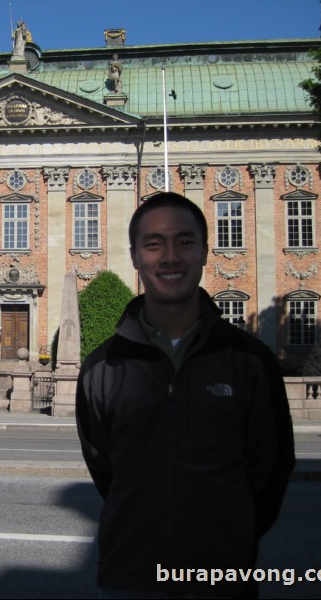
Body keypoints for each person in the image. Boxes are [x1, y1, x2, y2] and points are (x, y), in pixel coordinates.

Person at [76, 192, 294, 599]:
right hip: (130, 575)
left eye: (185, 241)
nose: (170, 257)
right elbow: (106, 468)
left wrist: (233, 536)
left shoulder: (249, 361)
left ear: (205, 252)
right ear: (135, 256)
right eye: (154, 244)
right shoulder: (103, 367)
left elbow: (272, 469)